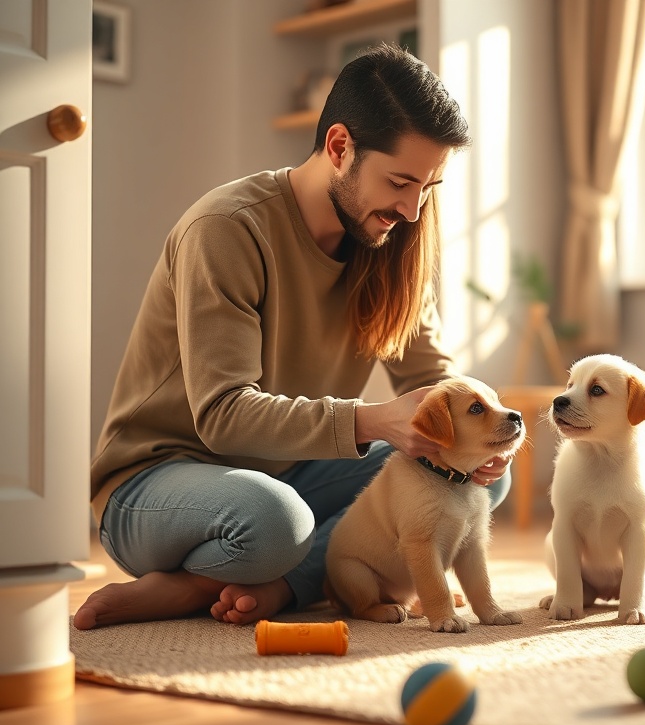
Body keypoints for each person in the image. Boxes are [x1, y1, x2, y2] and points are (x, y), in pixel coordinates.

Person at [74, 43, 512, 630]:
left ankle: (280, 584)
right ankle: (204, 584)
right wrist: (373, 420)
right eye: (401, 182)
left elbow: (435, 381)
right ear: (339, 147)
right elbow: (223, 415)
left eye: (428, 188)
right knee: (277, 522)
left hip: (293, 470)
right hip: (155, 484)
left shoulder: (393, 238)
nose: (411, 210)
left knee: (479, 471)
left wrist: (471, 437)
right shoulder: (227, 229)